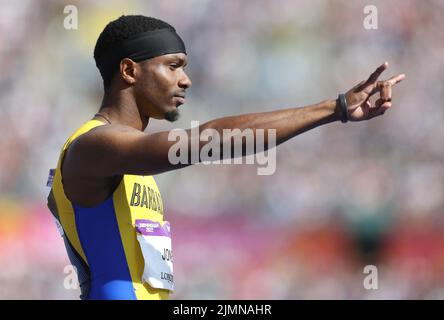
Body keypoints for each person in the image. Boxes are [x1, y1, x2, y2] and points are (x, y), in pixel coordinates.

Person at [46, 15, 405, 300]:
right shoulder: (93, 146)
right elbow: (207, 141)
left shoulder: (125, 163)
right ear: (129, 71)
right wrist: (334, 108)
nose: (185, 80)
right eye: (173, 66)